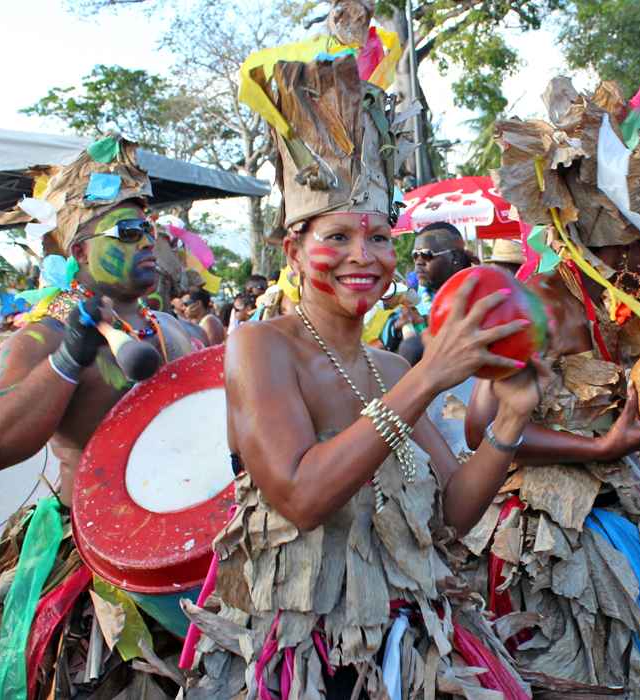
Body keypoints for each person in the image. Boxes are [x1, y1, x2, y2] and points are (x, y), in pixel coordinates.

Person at [188, 11, 535, 696]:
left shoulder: (391, 365)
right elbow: (302, 496)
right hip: (316, 659)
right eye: (338, 237)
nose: (364, 257)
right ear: (292, 250)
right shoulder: (260, 347)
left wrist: (511, 424)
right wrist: (433, 374)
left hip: (417, 645)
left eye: (379, 238)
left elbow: (450, 517)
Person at [458, 77, 640, 692]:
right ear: (586, 243)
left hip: (630, 503)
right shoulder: (539, 307)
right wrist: (599, 449)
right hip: (553, 535)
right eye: (634, 250)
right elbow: (480, 430)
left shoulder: (636, 305)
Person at [0, 137, 203, 505]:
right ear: (79, 250)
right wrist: (68, 360)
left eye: (148, 231)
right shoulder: (45, 337)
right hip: (98, 544)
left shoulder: (168, 325)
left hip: (192, 525)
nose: (146, 243)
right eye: (127, 233)